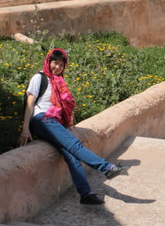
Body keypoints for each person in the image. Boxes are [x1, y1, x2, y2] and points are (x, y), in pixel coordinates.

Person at [19, 48, 129, 205]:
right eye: (55, 63)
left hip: (53, 122)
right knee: (74, 145)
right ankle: (107, 168)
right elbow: (30, 102)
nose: (57, 67)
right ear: (48, 62)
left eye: (61, 65)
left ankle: (85, 194)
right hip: (42, 119)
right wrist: (25, 128)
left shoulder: (58, 81)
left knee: (71, 155)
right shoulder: (39, 77)